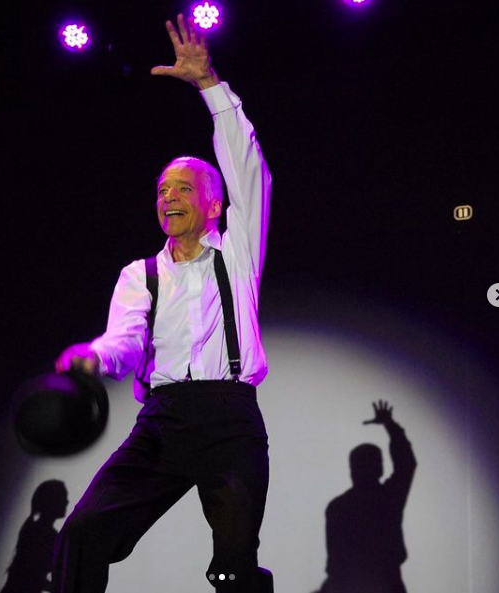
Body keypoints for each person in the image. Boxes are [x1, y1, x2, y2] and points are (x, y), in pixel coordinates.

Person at [52, 14, 273, 593]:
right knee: (82, 534)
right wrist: (95, 357)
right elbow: (125, 341)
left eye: (183, 188)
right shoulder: (141, 274)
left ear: (215, 205)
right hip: (164, 421)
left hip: (230, 420)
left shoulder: (237, 252)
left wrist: (209, 86)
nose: (168, 197)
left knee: (234, 565)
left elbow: (246, 163)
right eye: (161, 190)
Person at [318, 401, 417, 593]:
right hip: (382, 583)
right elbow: (406, 464)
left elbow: (336, 565)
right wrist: (391, 426)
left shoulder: (339, 507)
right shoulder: (388, 498)